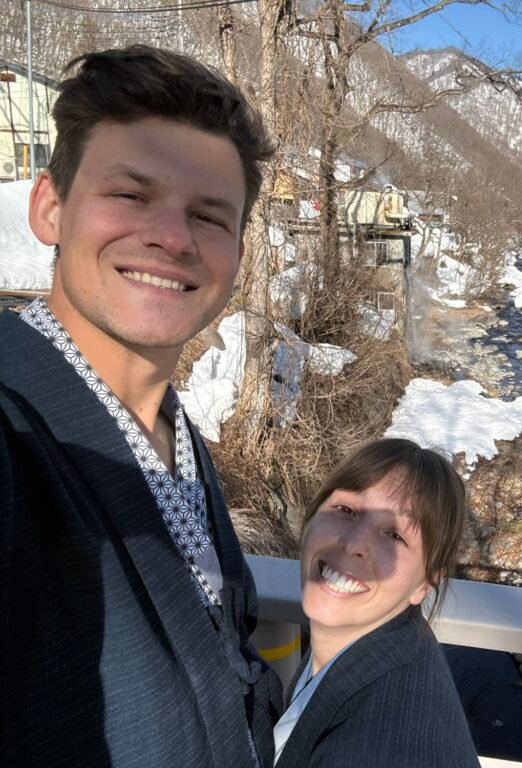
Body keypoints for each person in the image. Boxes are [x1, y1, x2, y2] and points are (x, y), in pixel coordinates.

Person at [0, 46, 281, 766]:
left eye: (209, 216)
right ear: (50, 207)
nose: (173, 238)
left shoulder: (175, 436)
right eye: (130, 194)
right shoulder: (14, 427)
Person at [273, 438, 480, 768]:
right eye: (346, 510)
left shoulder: (382, 749)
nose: (353, 543)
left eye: (395, 535)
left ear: (425, 583)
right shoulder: (371, 646)